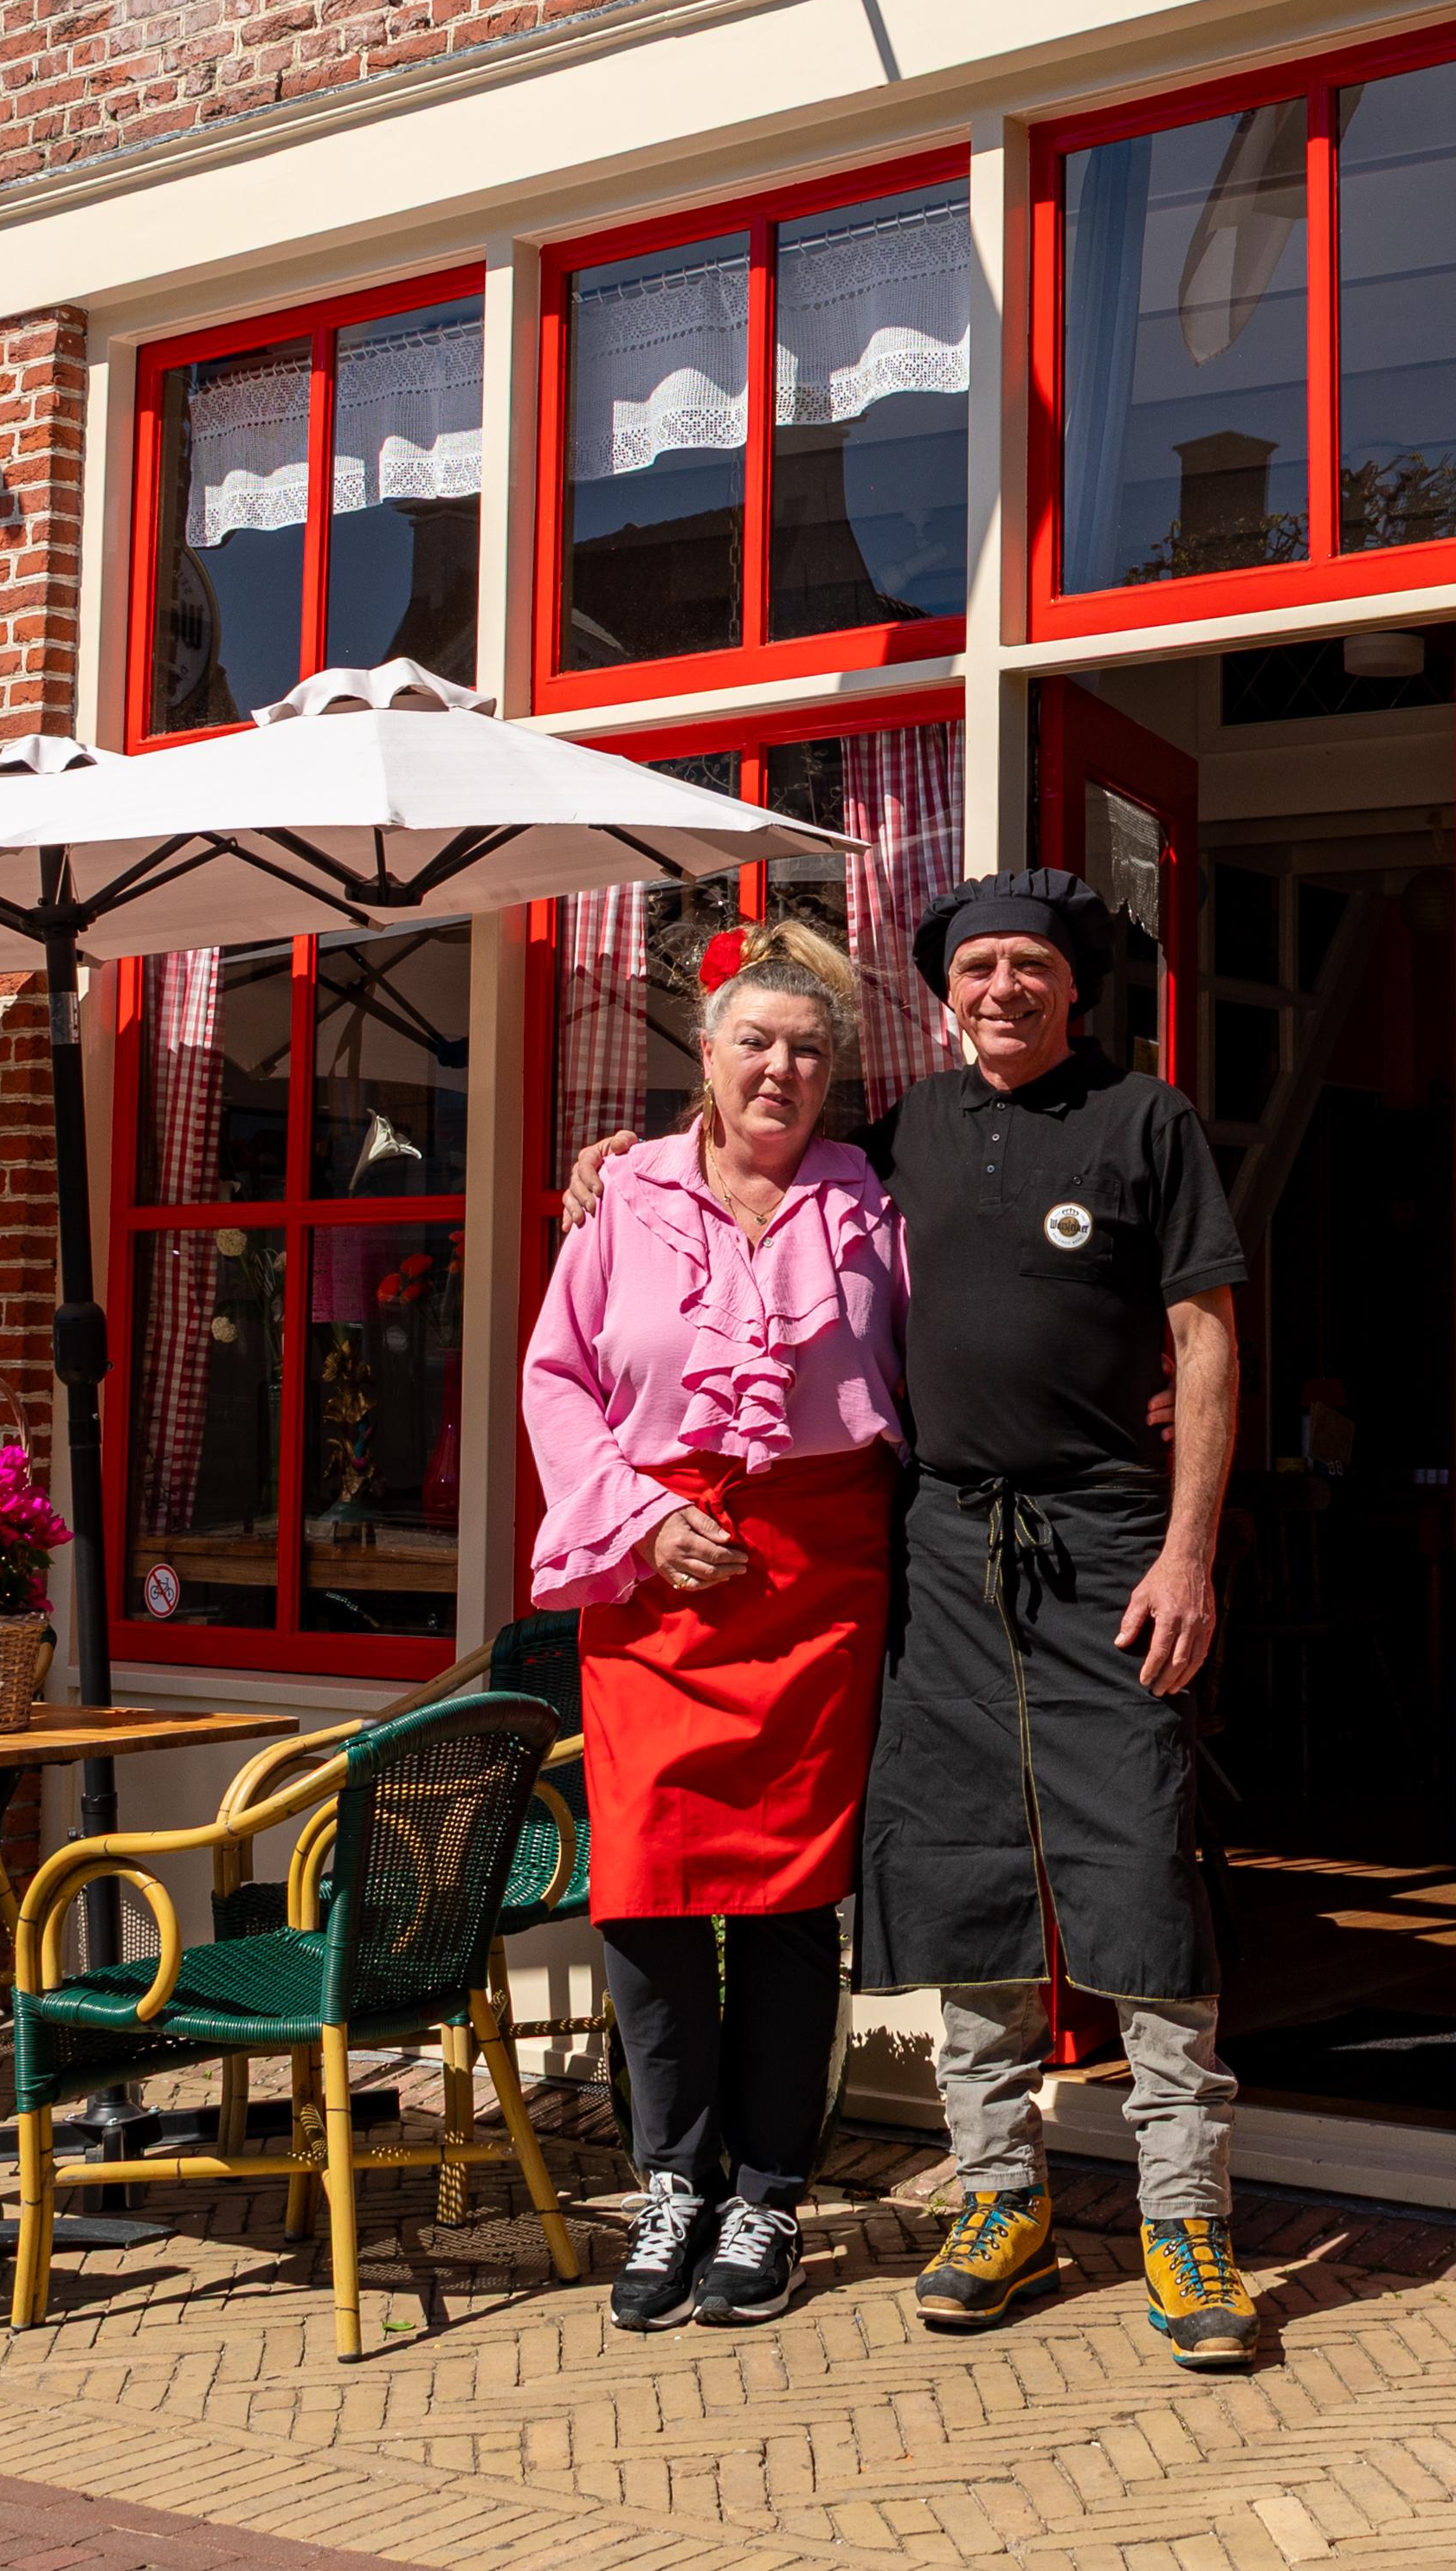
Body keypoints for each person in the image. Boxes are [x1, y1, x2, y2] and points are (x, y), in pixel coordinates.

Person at [570, 867, 1257, 2370]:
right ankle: (998, 2196)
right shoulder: (893, 1144)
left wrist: (1188, 1548)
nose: (1003, 989)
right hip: (938, 1539)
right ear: (942, 997)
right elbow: (748, 1166)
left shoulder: (1149, 1123)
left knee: (1137, 1860)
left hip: (1108, 1544)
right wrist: (614, 1164)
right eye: (976, 968)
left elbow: (1205, 1341)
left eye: (1032, 966)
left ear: (1076, 987)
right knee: (967, 1869)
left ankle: (1182, 2218)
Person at [519, 922, 906, 2331]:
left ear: (833, 1075)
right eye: (756, 1039)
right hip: (654, 1578)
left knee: (795, 1905)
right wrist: (629, 1515)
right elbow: (554, 1378)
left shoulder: (877, 1203)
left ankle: (768, 2196)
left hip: (817, 1586)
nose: (781, 1068)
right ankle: (671, 2181)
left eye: (809, 1049)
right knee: (647, 1891)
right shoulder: (618, 1198)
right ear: (705, 1051)